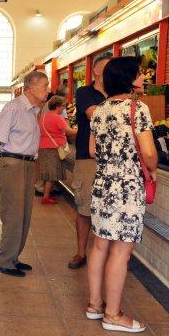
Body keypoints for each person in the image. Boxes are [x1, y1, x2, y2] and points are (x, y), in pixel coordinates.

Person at [86, 56, 157, 333]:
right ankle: (113, 315)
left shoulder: (100, 110)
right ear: (128, 79)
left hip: (102, 184)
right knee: (121, 250)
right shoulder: (138, 109)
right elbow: (149, 152)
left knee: (100, 245)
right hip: (126, 188)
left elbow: (93, 151)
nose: (142, 78)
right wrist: (151, 169)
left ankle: (95, 305)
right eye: (139, 74)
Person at [0, 71, 49, 277]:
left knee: (24, 215)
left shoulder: (33, 111)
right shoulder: (13, 108)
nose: (47, 90)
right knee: (13, 215)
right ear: (31, 87)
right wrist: (6, 163)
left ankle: (14, 257)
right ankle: (4, 261)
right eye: (45, 86)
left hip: (26, 164)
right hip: (15, 165)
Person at [69, 56, 111, 270]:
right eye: (105, 68)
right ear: (95, 70)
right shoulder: (84, 93)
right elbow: (93, 114)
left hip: (112, 160)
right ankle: (80, 252)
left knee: (108, 209)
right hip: (88, 157)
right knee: (85, 208)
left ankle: (104, 255)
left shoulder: (117, 94)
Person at [38, 95, 78, 204]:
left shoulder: (44, 116)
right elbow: (68, 131)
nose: (64, 109)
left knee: (50, 173)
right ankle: (46, 197)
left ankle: (46, 196)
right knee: (53, 173)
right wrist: (79, 131)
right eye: (63, 106)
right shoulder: (57, 117)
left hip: (44, 148)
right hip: (55, 149)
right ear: (58, 106)